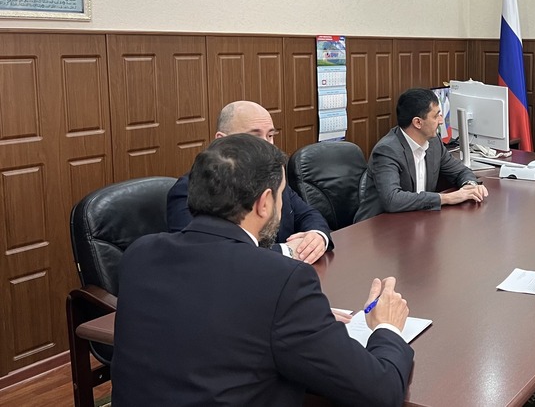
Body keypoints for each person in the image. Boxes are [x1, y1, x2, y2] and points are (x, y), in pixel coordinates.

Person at [112, 134, 414, 405]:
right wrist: (387, 327)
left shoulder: (140, 254)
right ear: (264, 203)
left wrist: (304, 319)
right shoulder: (282, 281)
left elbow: (209, 316)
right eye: (282, 195)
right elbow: (381, 391)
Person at [166, 101, 332, 264]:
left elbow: (308, 214)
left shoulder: (274, 179)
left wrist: (317, 236)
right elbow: (203, 253)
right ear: (222, 140)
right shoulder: (189, 189)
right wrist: (287, 251)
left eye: (270, 136)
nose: (267, 145)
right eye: (255, 136)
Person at [354, 88, 488, 222]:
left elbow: (461, 171)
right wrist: (446, 198)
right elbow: (392, 199)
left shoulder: (434, 143)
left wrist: (469, 186)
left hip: (416, 220)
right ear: (418, 122)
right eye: (436, 116)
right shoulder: (387, 150)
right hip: (378, 225)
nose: (441, 121)